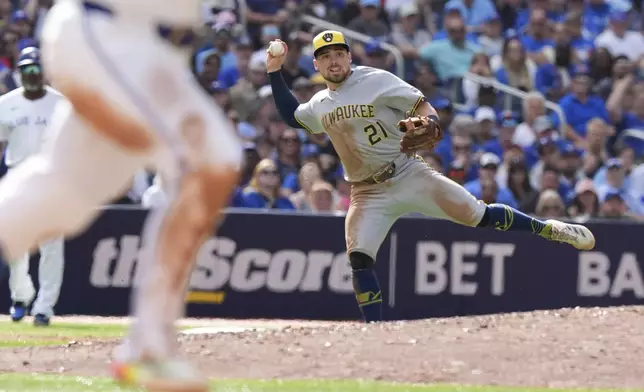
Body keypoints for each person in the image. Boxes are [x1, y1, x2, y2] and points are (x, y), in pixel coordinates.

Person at [267, 30, 596, 324]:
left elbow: (422, 106)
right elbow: (294, 118)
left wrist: (431, 122)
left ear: (349, 56)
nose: (333, 60)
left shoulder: (375, 79)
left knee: (478, 215)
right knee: (359, 259)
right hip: (367, 192)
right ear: (316, 65)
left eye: (339, 53)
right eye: (325, 56)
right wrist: (273, 71)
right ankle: (375, 336)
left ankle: (550, 229)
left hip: (409, 173)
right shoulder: (320, 103)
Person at [0, 1, 242, 390]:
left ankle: (149, 347)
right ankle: (150, 348)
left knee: (64, 193)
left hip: (155, 53)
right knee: (201, 161)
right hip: (106, 31)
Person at [0, 47, 65, 327]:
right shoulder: (6, 103)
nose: (32, 75)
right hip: (18, 179)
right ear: (19, 73)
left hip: (51, 180)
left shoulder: (62, 104)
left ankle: (44, 308)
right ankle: (21, 296)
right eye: (27, 70)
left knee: (52, 247)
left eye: (37, 70)